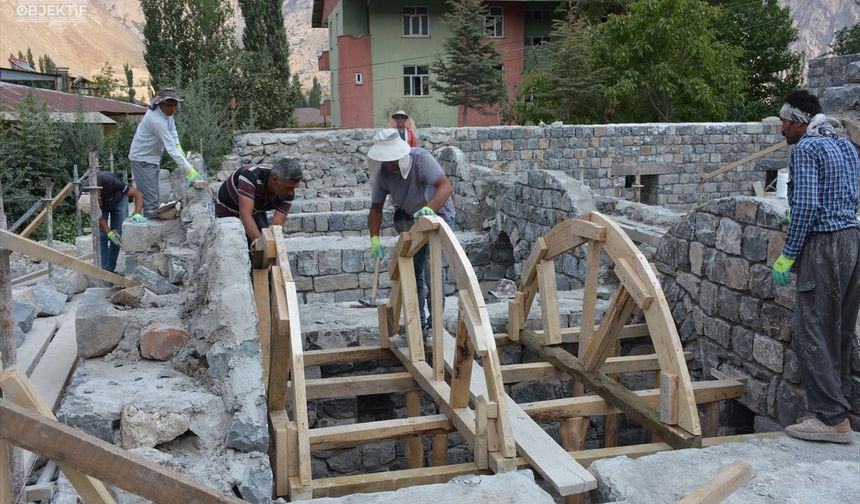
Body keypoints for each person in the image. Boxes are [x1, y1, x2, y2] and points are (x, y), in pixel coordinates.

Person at [772, 90, 859, 444]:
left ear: (799, 121)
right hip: (852, 239)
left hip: (824, 245)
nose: (781, 128)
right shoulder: (846, 147)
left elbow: (807, 206)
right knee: (839, 328)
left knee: (811, 331)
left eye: (784, 122)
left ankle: (831, 419)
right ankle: (839, 407)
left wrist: (789, 253)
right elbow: (846, 196)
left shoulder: (806, 149)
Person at [367, 128, 454, 334]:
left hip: (437, 217)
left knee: (433, 271)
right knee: (414, 272)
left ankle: (435, 326)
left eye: (392, 160)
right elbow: (376, 208)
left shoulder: (420, 159)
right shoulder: (383, 175)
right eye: (386, 161)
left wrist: (429, 209)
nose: (389, 164)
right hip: (411, 220)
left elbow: (446, 187)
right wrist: (374, 239)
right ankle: (419, 324)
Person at [129, 88, 201, 218]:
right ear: (160, 104)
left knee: (153, 194)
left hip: (152, 157)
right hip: (142, 159)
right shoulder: (156, 120)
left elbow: (173, 132)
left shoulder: (167, 115)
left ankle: (151, 223)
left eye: (175, 105)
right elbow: (170, 148)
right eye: (169, 105)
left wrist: (179, 146)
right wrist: (189, 170)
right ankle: (150, 231)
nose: (173, 108)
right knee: (150, 200)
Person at [215, 158, 303, 243]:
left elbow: (277, 225)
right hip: (227, 212)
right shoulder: (250, 175)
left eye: (293, 188)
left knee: (267, 245)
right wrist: (258, 242)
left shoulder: (287, 192)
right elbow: (245, 215)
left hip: (255, 212)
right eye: (288, 188)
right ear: (274, 179)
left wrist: (268, 246)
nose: (291, 193)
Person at [78, 172, 146, 273]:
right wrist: (109, 232)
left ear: (98, 195)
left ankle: (110, 269)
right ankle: (105, 271)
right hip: (102, 205)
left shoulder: (109, 181)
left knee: (118, 234)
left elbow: (138, 194)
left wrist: (138, 213)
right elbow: (98, 216)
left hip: (118, 199)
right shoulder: (84, 197)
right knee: (101, 235)